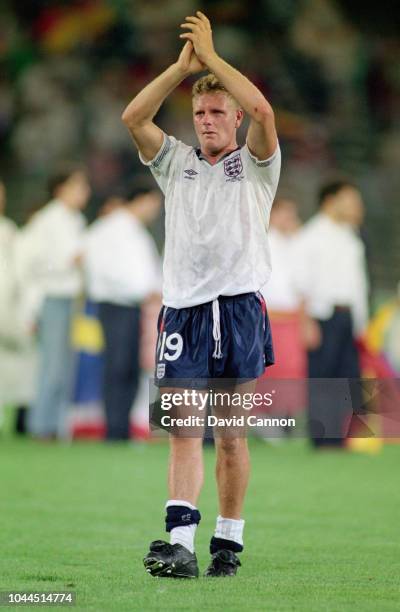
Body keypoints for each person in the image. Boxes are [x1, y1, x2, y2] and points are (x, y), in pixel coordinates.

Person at [122, 11, 280, 578]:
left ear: (234, 117)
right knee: (184, 432)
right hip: (183, 313)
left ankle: (227, 546)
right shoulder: (175, 162)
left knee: (231, 438)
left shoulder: (256, 166)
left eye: (217, 111)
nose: (207, 120)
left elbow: (263, 110)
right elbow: (134, 116)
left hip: (239, 309)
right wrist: (180, 69)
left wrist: (213, 61)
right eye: (199, 112)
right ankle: (181, 545)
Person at [293, 180, 369, 448]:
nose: (356, 206)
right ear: (330, 201)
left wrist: (361, 321)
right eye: (350, 199)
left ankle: (340, 438)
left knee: (347, 377)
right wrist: (306, 323)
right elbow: (300, 284)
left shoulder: (351, 236)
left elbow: (358, 283)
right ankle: (322, 440)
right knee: (323, 378)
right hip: (322, 316)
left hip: (349, 317)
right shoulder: (311, 236)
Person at [84, 187, 162, 441]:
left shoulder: (135, 231)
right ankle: (115, 429)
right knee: (117, 366)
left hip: (133, 306)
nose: (155, 209)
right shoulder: (111, 228)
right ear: (140, 200)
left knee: (129, 366)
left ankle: (122, 427)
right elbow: (102, 267)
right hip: (115, 303)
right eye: (152, 203)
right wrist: (142, 289)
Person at [21, 166, 91, 440]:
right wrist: (67, 261)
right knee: (52, 365)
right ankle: (41, 426)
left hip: (70, 296)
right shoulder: (47, 220)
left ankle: (58, 426)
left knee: (65, 365)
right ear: (62, 189)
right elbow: (34, 262)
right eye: (78, 186)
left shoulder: (75, 220)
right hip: (52, 296)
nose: (84, 193)